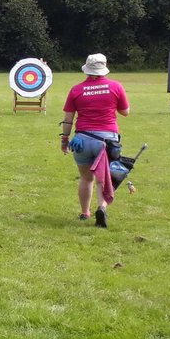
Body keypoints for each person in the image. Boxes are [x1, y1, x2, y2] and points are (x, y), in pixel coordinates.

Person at [61, 53, 129, 227]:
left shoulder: (76, 90)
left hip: (82, 140)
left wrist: (64, 140)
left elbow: (68, 119)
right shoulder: (115, 86)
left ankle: (85, 212)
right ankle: (102, 207)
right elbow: (125, 111)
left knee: (86, 178)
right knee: (103, 179)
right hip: (106, 141)